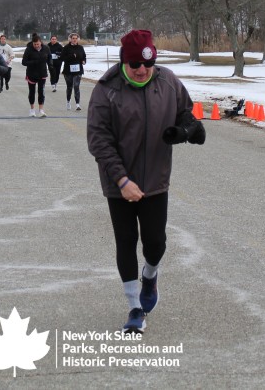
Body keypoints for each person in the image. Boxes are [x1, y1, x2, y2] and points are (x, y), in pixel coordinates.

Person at [87, 29, 205, 334]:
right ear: (124, 61)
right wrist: (122, 179)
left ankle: (150, 275)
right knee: (126, 241)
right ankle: (134, 307)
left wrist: (187, 130)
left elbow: (186, 113)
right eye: (135, 64)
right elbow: (98, 140)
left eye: (148, 64)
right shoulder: (106, 90)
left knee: (155, 242)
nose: (142, 70)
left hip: (155, 179)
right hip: (119, 184)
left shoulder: (168, 81)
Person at [21, 33, 50, 117]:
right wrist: (34, 62)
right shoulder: (28, 49)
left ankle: (41, 110)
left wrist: (51, 66)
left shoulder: (46, 48)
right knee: (32, 92)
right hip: (31, 73)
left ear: (41, 42)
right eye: (35, 44)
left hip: (42, 73)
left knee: (41, 91)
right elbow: (24, 62)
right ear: (32, 43)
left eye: (38, 44)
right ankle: (32, 109)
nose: (36, 46)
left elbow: (49, 58)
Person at [61, 32, 87, 111]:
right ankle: (68, 101)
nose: (74, 40)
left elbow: (84, 56)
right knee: (69, 87)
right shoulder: (66, 48)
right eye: (73, 38)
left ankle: (77, 104)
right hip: (68, 70)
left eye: (76, 38)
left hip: (78, 70)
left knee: (76, 86)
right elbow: (62, 58)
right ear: (70, 39)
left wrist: (84, 61)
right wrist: (71, 56)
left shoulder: (80, 47)